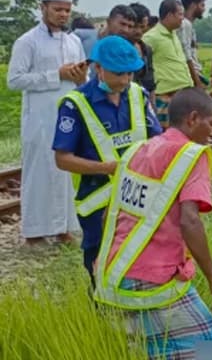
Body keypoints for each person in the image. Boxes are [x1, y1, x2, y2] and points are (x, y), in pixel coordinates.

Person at [93, 88, 212, 358]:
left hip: (112, 275)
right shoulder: (191, 156)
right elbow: (190, 221)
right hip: (153, 281)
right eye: (211, 123)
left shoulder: (136, 151)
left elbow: (108, 213)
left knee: (155, 350)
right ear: (192, 118)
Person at [53, 35, 161, 283]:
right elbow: (63, 159)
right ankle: (102, 316)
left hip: (139, 196)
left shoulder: (138, 95)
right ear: (98, 68)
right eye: (118, 74)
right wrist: (108, 168)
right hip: (97, 202)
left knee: (140, 260)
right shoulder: (75, 104)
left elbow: (157, 140)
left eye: (130, 74)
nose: (124, 80)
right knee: (100, 265)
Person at [7, 0, 87, 245]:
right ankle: (34, 232)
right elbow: (15, 80)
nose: (63, 14)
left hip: (67, 115)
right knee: (39, 172)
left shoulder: (73, 41)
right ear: (43, 8)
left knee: (65, 171)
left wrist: (79, 77)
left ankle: (63, 227)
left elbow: (83, 76)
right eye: (57, 9)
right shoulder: (27, 41)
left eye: (67, 10)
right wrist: (56, 75)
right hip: (40, 118)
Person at [144, 0, 200, 128]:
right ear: (169, 15)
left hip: (181, 94)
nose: (182, 18)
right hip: (165, 96)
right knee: (168, 134)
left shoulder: (174, 35)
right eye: (180, 14)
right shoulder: (151, 38)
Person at [176, 0, 209, 87]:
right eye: (202, 5)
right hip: (188, 77)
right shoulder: (185, 25)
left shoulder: (189, 26)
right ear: (193, 5)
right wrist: (196, 81)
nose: (204, 9)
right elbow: (187, 55)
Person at [127, 3, 158, 102]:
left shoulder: (146, 49)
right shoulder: (118, 49)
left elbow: (150, 84)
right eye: (135, 27)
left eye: (142, 27)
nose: (139, 31)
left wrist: (152, 111)